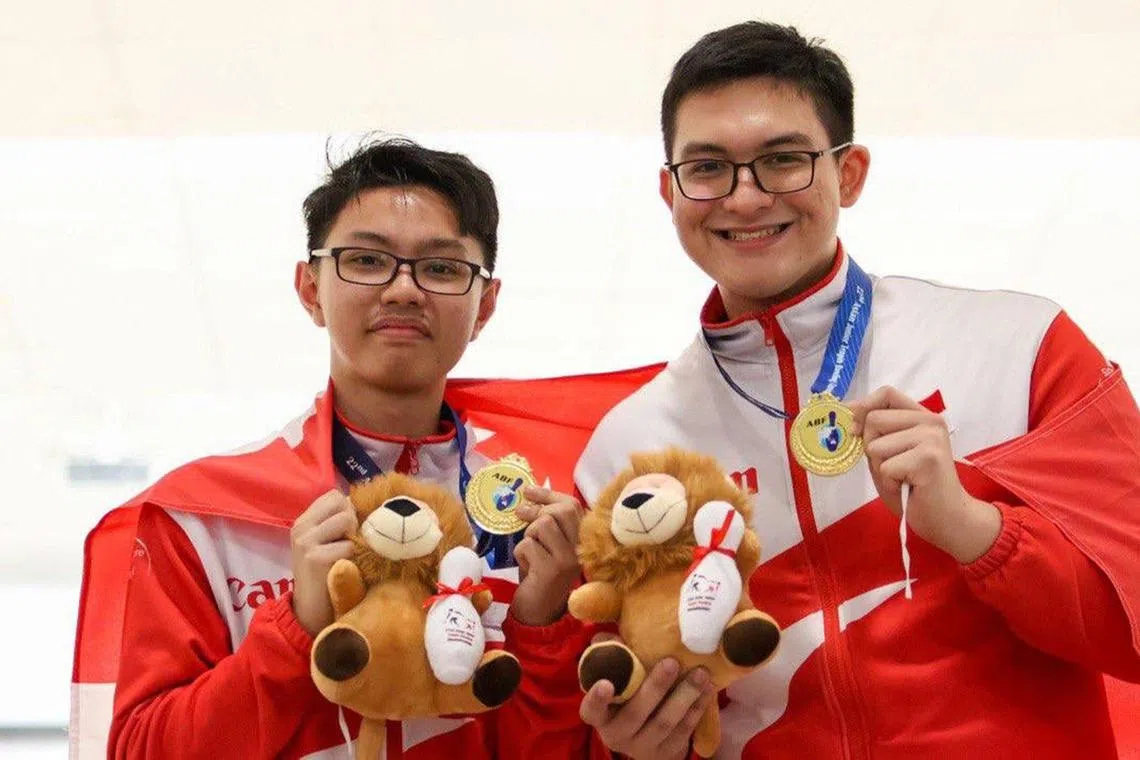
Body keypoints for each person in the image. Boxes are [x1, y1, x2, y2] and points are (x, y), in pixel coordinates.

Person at [572, 21, 1140, 760]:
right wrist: (640, 748)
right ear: (669, 191)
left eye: (782, 160)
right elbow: (629, 702)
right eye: (707, 168)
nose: (744, 198)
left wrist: (975, 530)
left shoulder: (1022, 347)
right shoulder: (627, 453)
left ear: (850, 173)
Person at [68, 137, 591, 759]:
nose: (404, 290)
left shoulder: (543, 521)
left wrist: (543, 629)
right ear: (310, 288)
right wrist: (296, 627)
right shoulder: (201, 520)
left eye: (442, 268)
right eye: (366, 260)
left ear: (486, 306)